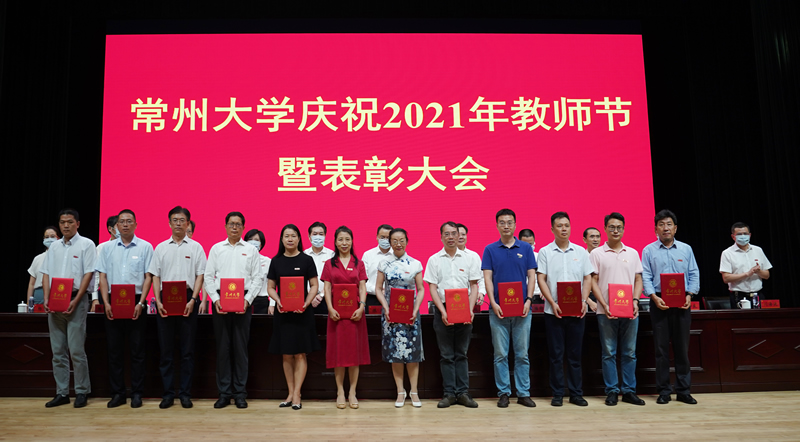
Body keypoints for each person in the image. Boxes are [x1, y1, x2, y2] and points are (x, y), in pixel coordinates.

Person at [149, 206, 207, 409]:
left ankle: (185, 394)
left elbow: (200, 275)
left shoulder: (196, 247)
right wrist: (158, 301)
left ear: (188, 223)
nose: (178, 223)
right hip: (165, 301)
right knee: (166, 351)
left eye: (182, 220)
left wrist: (194, 299)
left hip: (188, 300)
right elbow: (155, 276)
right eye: (175, 220)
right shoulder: (160, 248)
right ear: (169, 223)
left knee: (187, 351)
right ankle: (167, 395)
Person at [204, 212, 262, 409]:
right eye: (231, 224)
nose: (234, 227)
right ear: (225, 226)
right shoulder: (216, 248)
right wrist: (215, 299)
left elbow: (257, 278)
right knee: (223, 349)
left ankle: (240, 393)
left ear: (243, 227)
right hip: (221, 302)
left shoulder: (251, 250)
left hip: (243, 302)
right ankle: (224, 393)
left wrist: (247, 300)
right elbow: (208, 276)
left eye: (238, 224)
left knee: (240, 349)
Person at [642, 210, 699, 405]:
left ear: (675, 228)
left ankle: (683, 391)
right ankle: (664, 391)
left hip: (682, 303)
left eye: (669, 224)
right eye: (661, 224)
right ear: (655, 229)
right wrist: (653, 297)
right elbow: (646, 276)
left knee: (682, 349)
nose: (665, 228)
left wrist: (690, 295)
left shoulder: (686, 249)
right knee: (661, 350)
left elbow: (694, 273)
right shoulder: (648, 250)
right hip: (659, 302)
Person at [97, 209, 153, 408]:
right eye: (122, 221)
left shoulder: (146, 247)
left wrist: (141, 303)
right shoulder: (107, 248)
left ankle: (137, 393)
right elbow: (102, 277)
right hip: (113, 301)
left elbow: (148, 277)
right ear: (116, 226)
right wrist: (106, 303)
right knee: (114, 351)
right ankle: (118, 393)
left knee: (137, 351)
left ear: (136, 224)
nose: (126, 225)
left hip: (136, 302)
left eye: (129, 221)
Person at [536, 212, 594, 407]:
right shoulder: (545, 252)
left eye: (566, 225)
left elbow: (587, 278)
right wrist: (552, 302)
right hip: (554, 312)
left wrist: (584, 300)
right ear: (552, 229)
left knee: (575, 355)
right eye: (559, 226)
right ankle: (558, 393)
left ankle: (576, 393)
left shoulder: (581, 252)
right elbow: (541, 279)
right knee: (556, 355)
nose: (563, 229)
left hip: (577, 311)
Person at [482, 208, 538, 408]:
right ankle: (504, 392)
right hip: (498, 310)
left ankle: (523, 393)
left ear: (515, 224)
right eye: (502, 222)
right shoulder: (490, 249)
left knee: (522, 354)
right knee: (500, 355)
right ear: (497, 225)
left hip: (523, 310)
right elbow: (487, 278)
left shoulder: (526, 248)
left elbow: (531, 276)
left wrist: (529, 300)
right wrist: (493, 302)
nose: (506, 226)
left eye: (510, 222)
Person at [40, 209, 95, 408]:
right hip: (55, 300)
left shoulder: (87, 244)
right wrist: (46, 297)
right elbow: (46, 273)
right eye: (62, 222)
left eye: (70, 222)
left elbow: (89, 274)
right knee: (57, 351)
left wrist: (77, 300)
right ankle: (62, 392)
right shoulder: (54, 247)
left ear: (77, 224)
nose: (65, 225)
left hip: (76, 300)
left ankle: (81, 391)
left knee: (76, 350)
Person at [590, 212, 646, 406]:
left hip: (630, 311)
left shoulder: (632, 253)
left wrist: (636, 301)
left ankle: (629, 391)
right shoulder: (596, 253)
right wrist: (603, 304)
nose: (615, 230)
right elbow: (593, 281)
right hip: (605, 312)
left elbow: (638, 279)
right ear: (605, 229)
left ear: (623, 229)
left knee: (630, 352)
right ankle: (612, 391)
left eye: (619, 227)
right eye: (612, 227)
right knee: (609, 353)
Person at [424, 222, 480, 409]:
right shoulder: (434, 260)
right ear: (441, 237)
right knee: (446, 355)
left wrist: (470, 310)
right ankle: (449, 394)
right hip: (443, 309)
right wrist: (443, 311)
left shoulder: (469, 258)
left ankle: (463, 393)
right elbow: (432, 287)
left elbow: (474, 286)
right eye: (446, 234)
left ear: (459, 236)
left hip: (465, 308)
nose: (450, 237)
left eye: (453, 234)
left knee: (462, 354)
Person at [267, 224, 321, 410]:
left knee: (300, 353)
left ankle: (297, 393)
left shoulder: (307, 260)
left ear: (299, 238)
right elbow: (270, 287)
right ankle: (290, 393)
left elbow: (314, 285)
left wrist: (306, 302)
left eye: (293, 236)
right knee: (286, 354)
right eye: (286, 236)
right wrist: (278, 301)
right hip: (283, 314)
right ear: (282, 239)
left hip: (302, 313)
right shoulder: (276, 261)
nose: (290, 239)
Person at [375, 228, 425, 408]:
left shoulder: (415, 263)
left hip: (411, 314)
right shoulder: (384, 263)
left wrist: (416, 308)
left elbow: (421, 289)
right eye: (394, 240)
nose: (398, 244)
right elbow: (378, 288)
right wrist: (386, 307)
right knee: (395, 354)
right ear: (390, 242)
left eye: (402, 240)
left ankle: (414, 391)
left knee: (413, 354)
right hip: (391, 315)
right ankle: (400, 391)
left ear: (407, 241)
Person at [321, 226, 370, 409]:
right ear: (335, 242)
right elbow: (327, 288)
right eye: (340, 239)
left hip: (355, 315)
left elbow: (362, 287)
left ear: (352, 241)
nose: (344, 243)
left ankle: (352, 392)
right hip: (336, 316)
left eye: (347, 239)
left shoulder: (359, 263)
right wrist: (330, 308)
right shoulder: (329, 264)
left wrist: (362, 306)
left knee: (354, 355)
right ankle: (340, 391)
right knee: (338, 355)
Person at [720, 222, 772, 309]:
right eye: (739, 234)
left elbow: (767, 275)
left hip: (758, 296)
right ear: (733, 236)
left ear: (750, 235)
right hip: (739, 296)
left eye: (745, 233)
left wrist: (759, 271)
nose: (743, 236)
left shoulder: (758, 250)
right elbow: (726, 278)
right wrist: (747, 274)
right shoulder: (727, 253)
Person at [305, 221, 335, 314]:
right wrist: (310, 296)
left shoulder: (332, 255)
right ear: (309, 236)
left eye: (321, 234)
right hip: (306, 299)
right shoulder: (304, 255)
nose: (318, 237)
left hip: (326, 299)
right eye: (315, 234)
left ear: (325, 236)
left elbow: (333, 278)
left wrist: (321, 295)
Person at [455, 223, 487, 310]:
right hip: (450, 301)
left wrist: (481, 292)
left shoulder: (473, 256)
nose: (461, 237)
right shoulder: (444, 257)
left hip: (470, 301)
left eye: (463, 234)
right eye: (458, 235)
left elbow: (482, 277)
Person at [91, 216, 119, 311]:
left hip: (125, 292)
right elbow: (96, 275)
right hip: (105, 293)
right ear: (110, 229)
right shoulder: (102, 248)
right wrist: (95, 298)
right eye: (118, 225)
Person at [362, 224, 394, 308]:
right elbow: (362, 280)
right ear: (377, 237)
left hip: (393, 298)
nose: (385, 240)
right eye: (382, 237)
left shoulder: (397, 255)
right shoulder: (368, 255)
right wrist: (377, 290)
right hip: (373, 298)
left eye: (388, 238)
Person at [27, 226, 60, 307]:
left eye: (52, 236)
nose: (49, 239)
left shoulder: (63, 257)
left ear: (58, 238)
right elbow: (31, 284)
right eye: (46, 237)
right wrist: (29, 304)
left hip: (58, 293)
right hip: (39, 295)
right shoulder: (38, 258)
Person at [244, 229, 272, 314]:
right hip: (243, 300)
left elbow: (272, 285)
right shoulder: (239, 260)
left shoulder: (267, 261)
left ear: (261, 244)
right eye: (250, 239)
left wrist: (272, 304)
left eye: (256, 240)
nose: (253, 242)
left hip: (261, 302)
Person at [519, 229, 542, 303]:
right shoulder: (514, 258)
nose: (528, 247)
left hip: (537, 297)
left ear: (534, 242)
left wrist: (544, 291)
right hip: (520, 296)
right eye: (525, 244)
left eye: (530, 244)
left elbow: (547, 277)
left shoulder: (540, 257)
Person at [583, 227, 602, 312]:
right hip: (586, 297)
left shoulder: (605, 257)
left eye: (597, 237)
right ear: (584, 240)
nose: (595, 239)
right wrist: (589, 301)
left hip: (603, 296)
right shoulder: (580, 258)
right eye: (592, 236)